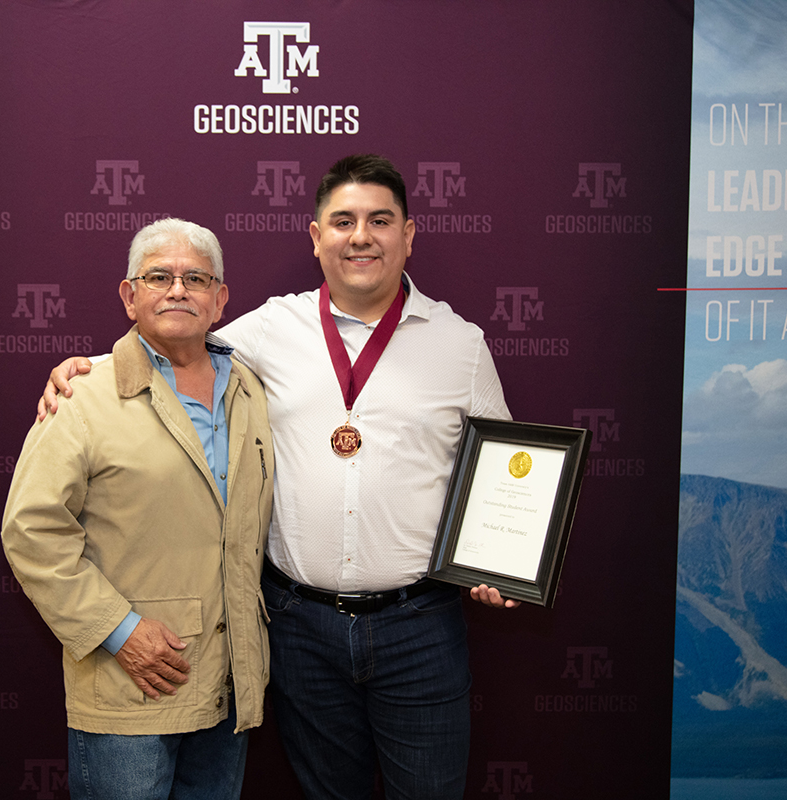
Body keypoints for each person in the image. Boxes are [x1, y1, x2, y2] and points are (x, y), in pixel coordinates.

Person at [37, 156, 516, 800]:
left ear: (409, 234)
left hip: (419, 628)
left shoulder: (462, 344)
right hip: (299, 627)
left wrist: (503, 560)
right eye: (342, 221)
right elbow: (173, 339)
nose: (361, 236)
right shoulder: (266, 328)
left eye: (380, 220)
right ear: (316, 237)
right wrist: (84, 368)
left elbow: (504, 470)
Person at [2, 217, 274, 800]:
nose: (178, 289)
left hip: (229, 684)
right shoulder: (84, 396)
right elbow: (31, 531)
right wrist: (118, 632)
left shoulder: (250, 389)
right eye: (159, 276)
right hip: (130, 687)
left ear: (220, 299)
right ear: (130, 296)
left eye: (196, 278)